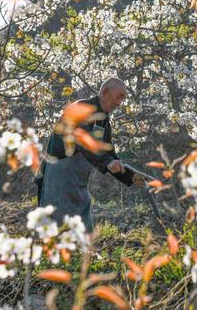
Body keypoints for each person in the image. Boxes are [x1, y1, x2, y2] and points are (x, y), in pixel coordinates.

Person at [35, 77, 144, 233]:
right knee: (57, 229)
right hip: (59, 176)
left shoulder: (103, 119)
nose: (120, 103)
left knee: (83, 231)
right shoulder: (81, 108)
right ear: (105, 92)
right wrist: (107, 163)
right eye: (119, 96)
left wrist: (130, 175)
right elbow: (83, 142)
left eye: (123, 99)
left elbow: (107, 151)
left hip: (78, 181)